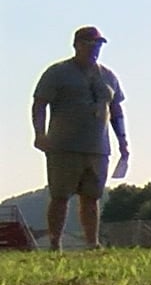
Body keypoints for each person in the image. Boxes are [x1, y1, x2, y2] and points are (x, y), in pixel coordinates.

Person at [30, 26, 126, 251]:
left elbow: (117, 110)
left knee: (92, 197)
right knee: (60, 196)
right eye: (90, 44)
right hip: (64, 145)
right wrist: (39, 133)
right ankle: (55, 243)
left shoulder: (108, 76)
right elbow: (39, 103)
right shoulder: (57, 72)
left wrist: (123, 141)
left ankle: (92, 243)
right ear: (77, 45)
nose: (95, 49)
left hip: (97, 147)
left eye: (98, 45)